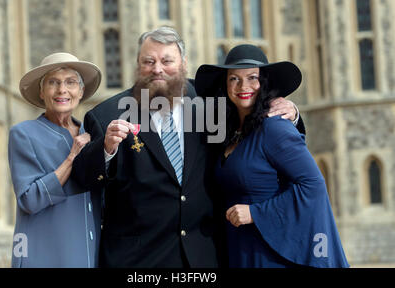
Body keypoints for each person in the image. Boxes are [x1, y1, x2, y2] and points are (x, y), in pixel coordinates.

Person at [72, 26, 299, 268]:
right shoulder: (106, 114)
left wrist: (291, 114)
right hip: (138, 261)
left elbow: (254, 118)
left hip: (206, 256)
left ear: (183, 63)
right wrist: (106, 149)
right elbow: (84, 179)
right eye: (149, 61)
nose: (157, 69)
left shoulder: (213, 102)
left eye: (167, 60)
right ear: (138, 65)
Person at [195, 44, 349, 268]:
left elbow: (313, 184)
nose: (243, 86)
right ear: (225, 84)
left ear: (264, 82)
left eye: (252, 78)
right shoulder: (225, 131)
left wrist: (255, 213)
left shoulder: (274, 127)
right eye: (234, 79)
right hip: (239, 246)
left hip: (272, 250)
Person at [8, 52, 102, 267]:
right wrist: (72, 157)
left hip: (92, 255)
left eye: (70, 82)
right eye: (53, 83)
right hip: (44, 256)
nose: (62, 90)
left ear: (81, 91)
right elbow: (29, 200)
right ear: (42, 92)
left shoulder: (94, 134)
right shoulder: (23, 134)